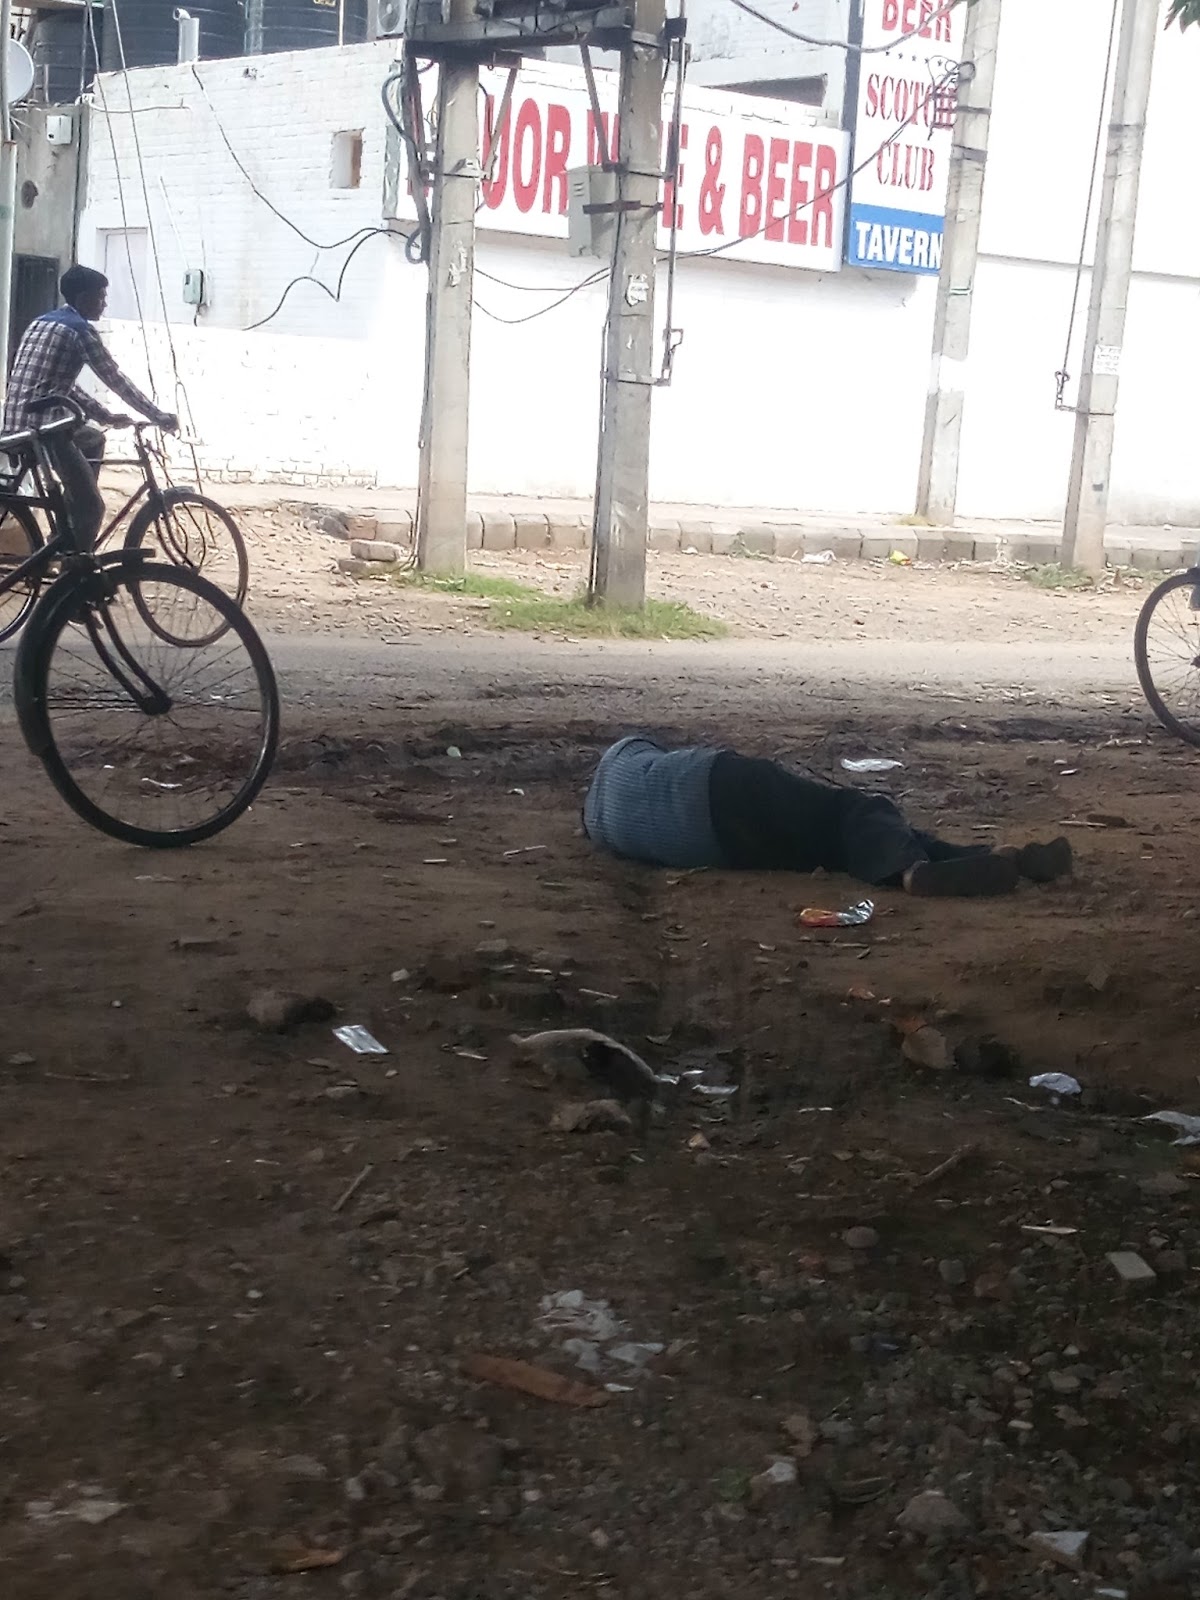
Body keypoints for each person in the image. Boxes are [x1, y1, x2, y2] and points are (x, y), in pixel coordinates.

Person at [582, 736, 1072, 897]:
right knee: (856, 809)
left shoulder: (602, 825)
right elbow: (666, 757)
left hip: (713, 846)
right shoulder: (622, 754)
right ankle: (913, 871)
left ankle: (995, 858)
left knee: (836, 841)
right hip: (717, 785)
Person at [2, 265, 178, 547]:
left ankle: (66, 524)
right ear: (84, 298)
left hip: (16, 423)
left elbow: (61, 385)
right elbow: (115, 379)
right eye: (101, 297)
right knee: (92, 507)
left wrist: (104, 415)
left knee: (93, 439)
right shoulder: (80, 331)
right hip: (43, 430)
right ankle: (75, 564)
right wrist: (157, 415)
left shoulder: (41, 322)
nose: (104, 303)